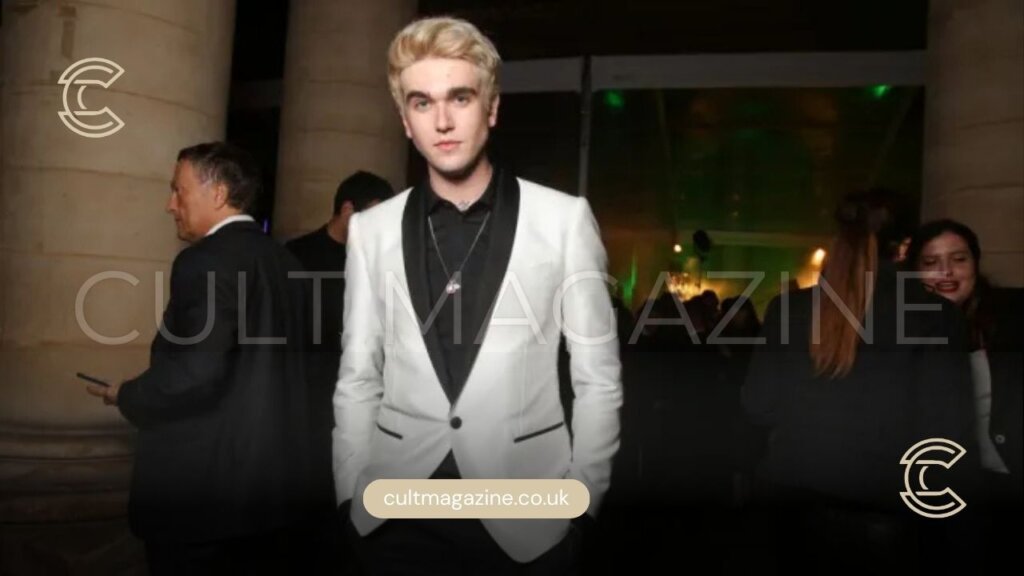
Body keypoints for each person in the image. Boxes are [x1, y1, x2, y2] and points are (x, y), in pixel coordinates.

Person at [333, 16, 622, 573]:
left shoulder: (563, 220)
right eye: (422, 103)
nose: (442, 121)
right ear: (405, 120)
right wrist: (349, 494)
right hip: (395, 513)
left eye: (460, 98)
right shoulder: (372, 230)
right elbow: (358, 377)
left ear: (490, 108)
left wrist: (582, 504)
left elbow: (598, 379)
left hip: (526, 518)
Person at [86, 142, 314, 575]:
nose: (170, 204)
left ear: (218, 194)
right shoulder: (290, 264)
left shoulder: (204, 261)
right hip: (275, 498)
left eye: (179, 190)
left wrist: (127, 394)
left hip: (203, 498)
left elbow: (196, 371)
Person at [742, 189, 977, 573]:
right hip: (886, 514)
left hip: (788, 506)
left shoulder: (789, 309)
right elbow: (946, 432)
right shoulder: (936, 316)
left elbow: (758, 406)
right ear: (904, 247)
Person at [907, 219, 1023, 572]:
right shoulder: (902, 328)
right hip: (938, 492)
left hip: (1009, 483)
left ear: (976, 263)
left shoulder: (1012, 315)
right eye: (931, 262)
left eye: (959, 259)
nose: (946, 271)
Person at [286, 171, 393, 518]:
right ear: (347, 210)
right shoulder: (295, 257)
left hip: (363, 396)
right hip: (307, 400)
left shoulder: (381, 262)